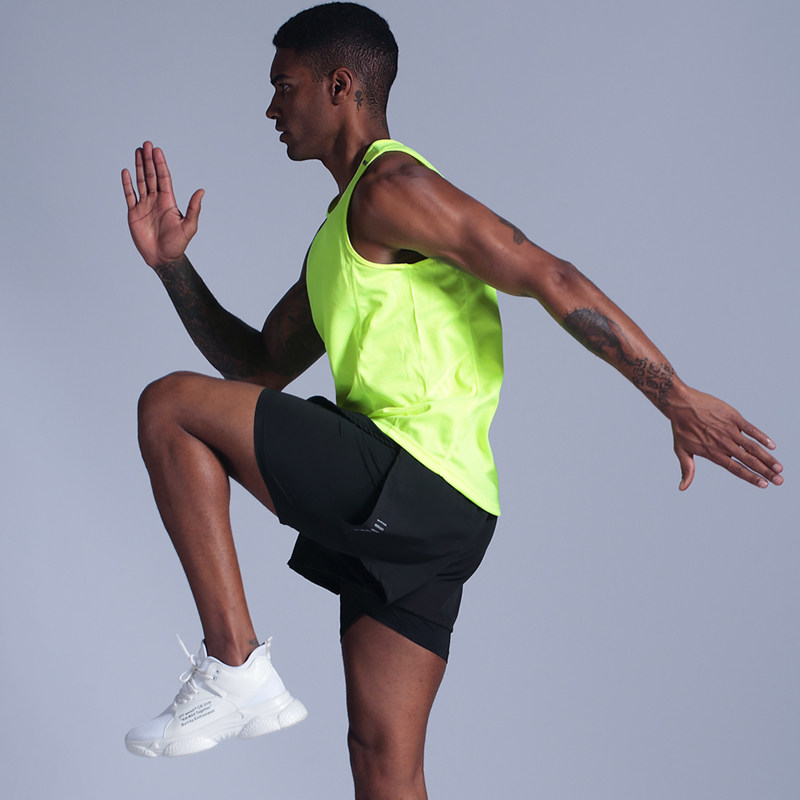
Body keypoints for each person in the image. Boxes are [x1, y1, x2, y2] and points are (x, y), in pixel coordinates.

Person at [121, 2, 783, 796]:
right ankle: (242, 677)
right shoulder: (342, 231)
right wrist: (172, 267)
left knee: (167, 404)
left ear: (340, 86)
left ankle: (234, 665)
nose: (270, 108)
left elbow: (546, 272)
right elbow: (259, 367)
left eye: (284, 87)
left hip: (410, 479)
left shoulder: (393, 187)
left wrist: (672, 395)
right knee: (382, 761)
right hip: (444, 515)